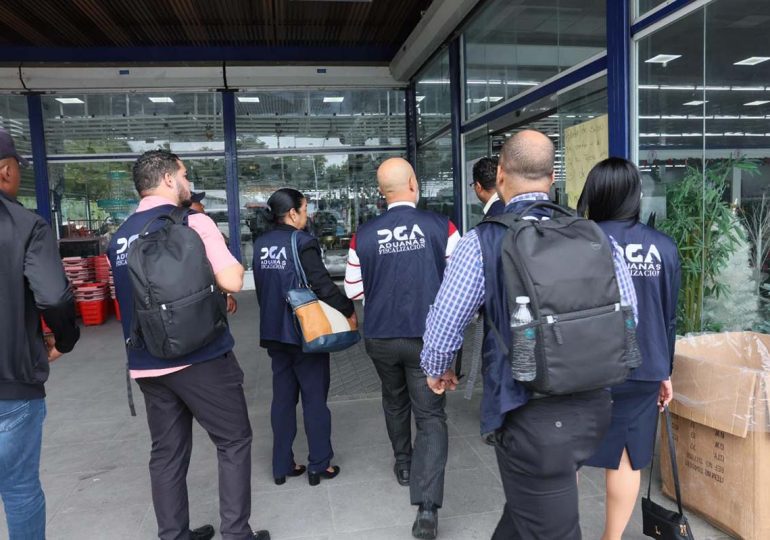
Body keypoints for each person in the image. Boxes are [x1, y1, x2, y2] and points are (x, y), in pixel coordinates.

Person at [420, 130, 638, 540]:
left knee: (550, 525)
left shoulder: (483, 241)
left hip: (529, 413)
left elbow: (446, 322)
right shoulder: (593, 235)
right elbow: (630, 315)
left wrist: (437, 368)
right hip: (593, 406)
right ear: (552, 177)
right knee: (527, 511)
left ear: (501, 175)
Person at [107, 150, 269, 540]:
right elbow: (232, 280)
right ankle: (236, 534)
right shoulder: (193, 221)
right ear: (168, 179)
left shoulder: (120, 236)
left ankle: (174, 535)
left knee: (166, 453)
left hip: (146, 362)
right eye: (184, 174)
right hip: (202, 358)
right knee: (233, 441)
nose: (188, 181)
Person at [344, 157, 460, 540]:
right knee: (430, 415)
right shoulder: (443, 227)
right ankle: (426, 508)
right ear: (413, 182)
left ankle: (404, 463)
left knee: (394, 400)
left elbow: (353, 290)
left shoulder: (363, 234)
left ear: (382, 192)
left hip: (381, 337)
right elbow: (460, 284)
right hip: (429, 339)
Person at [578, 157, 681, 540]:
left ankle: (559, 529)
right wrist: (665, 371)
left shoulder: (578, 241)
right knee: (625, 457)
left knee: (567, 451)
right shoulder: (663, 248)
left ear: (595, 194)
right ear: (636, 196)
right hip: (644, 366)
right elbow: (669, 316)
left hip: (584, 370)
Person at [0, 128, 80, 539]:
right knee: (18, 487)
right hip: (11, 384)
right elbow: (53, 296)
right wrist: (64, 339)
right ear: (5, 170)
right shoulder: (24, 225)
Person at [252, 188, 353, 487]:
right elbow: (323, 286)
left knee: (282, 400)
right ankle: (319, 464)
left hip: (274, 332)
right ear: (292, 213)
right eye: (305, 209)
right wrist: (348, 310)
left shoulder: (260, 244)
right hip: (305, 333)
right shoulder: (302, 241)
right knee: (314, 399)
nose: (307, 216)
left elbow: (262, 288)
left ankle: (281, 465)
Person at [184, 191, 237, 314]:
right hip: (201, 293)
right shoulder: (192, 228)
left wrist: (226, 294)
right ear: (187, 206)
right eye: (197, 202)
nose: (202, 205)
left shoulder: (205, 224)